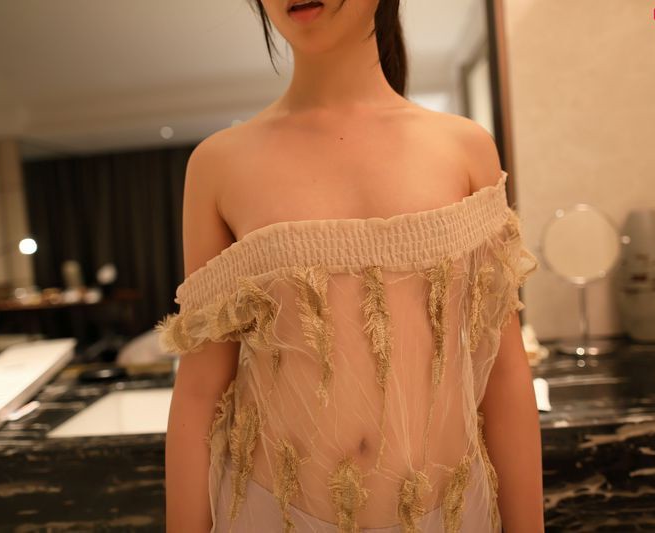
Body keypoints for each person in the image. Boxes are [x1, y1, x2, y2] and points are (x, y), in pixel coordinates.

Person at [158, 0, 544, 531]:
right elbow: (200, 389)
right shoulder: (219, 165)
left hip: (451, 515)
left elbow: (502, 370)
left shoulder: (464, 148)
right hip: (273, 514)